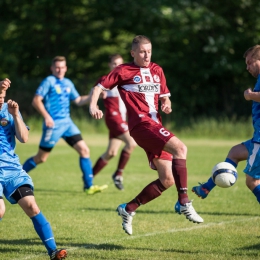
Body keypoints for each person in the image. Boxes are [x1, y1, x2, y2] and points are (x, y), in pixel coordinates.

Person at [89, 35, 203, 235]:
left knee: (167, 179)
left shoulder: (157, 70)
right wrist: (93, 106)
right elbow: (99, 87)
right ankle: (184, 201)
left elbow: (165, 96)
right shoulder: (123, 70)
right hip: (141, 125)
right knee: (181, 148)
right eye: (142, 51)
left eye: (149, 51)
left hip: (154, 125)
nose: (146, 55)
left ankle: (128, 208)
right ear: (133, 53)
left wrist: (167, 104)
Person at [22, 56, 107, 195]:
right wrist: (47, 117)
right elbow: (36, 100)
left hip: (67, 124)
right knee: (41, 158)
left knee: (84, 150)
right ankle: (14, 177)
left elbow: (79, 100)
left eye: (62, 67)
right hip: (53, 126)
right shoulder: (49, 81)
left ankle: (89, 187)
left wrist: (93, 95)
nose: (59, 70)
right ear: (52, 68)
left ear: (66, 68)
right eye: (57, 67)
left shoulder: (68, 83)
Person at [0, 85, 67, 260]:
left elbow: (24, 138)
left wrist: (15, 114)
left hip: (12, 170)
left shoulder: (9, 110)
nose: (1, 98)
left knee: (32, 206)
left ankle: (53, 251)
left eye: (3, 95)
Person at [192, 44, 260, 204]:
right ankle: (206, 187)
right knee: (235, 152)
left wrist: (250, 95)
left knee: (252, 181)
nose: (247, 67)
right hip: (256, 138)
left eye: (250, 63)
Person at [92, 54, 137, 190]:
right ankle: (118, 174)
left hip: (121, 119)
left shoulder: (125, 79)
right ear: (109, 65)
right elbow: (94, 92)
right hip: (113, 117)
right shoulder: (105, 79)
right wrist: (93, 103)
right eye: (114, 64)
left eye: (120, 64)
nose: (117, 66)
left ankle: (89, 178)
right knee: (132, 143)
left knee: (111, 152)